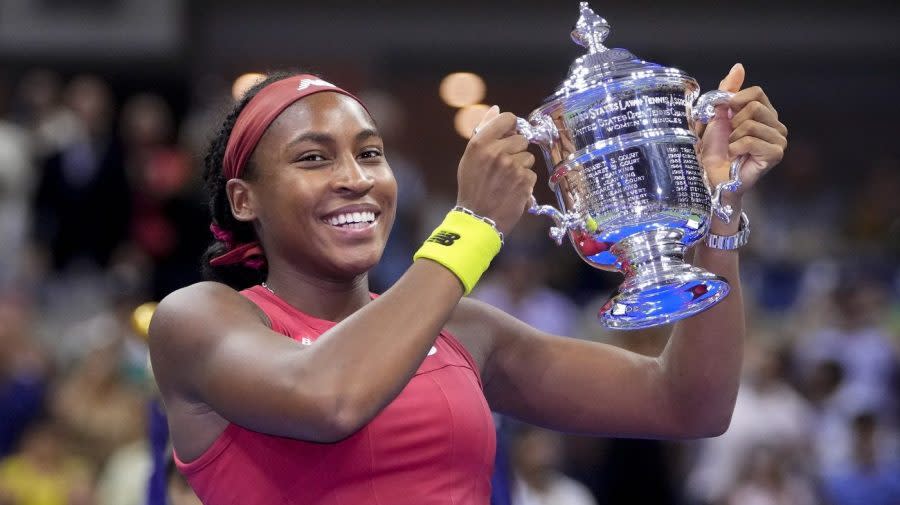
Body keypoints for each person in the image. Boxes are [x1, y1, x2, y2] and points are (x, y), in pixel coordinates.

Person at [148, 64, 787, 504]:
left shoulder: (463, 329)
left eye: (370, 153)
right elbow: (329, 399)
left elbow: (689, 405)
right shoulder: (199, 319)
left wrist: (717, 209)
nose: (356, 177)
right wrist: (472, 226)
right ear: (243, 199)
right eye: (314, 158)